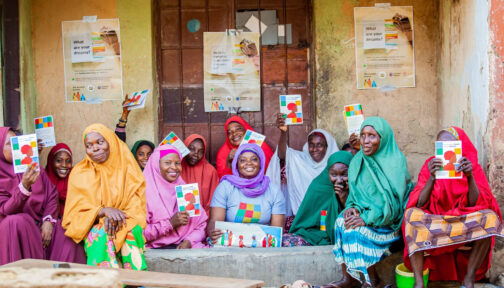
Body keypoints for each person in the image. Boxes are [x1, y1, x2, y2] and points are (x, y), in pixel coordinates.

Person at [402, 127, 503, 288]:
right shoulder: (430, 164)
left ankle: (468, 280)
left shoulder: (471, 167)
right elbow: (419, 203)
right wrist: (432, 177)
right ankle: (419, 283)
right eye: (441, 146)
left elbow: (477, 204)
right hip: (436, 221)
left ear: (461, 147)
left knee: (490, 218)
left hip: (462, 222)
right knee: (411, 215)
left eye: (451, 146)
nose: (446, 151)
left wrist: (469, 177)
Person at [326, 117, 413, 288]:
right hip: (366, 216)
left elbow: (393, 205)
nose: (365, 141)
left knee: (358, 232)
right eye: (363, 135)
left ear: (383, 138)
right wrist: (351, 208)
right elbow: (356, 196)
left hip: (387, 223)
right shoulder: (358, 161)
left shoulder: (396, 162)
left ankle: (372, 281)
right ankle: (349, 277)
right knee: (341, 221)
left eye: (372, 136)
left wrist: (366, 218)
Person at [62, 124, 147, 270]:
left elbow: (136, 206)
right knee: (100, 232)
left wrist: (116, 218)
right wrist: (102, 212)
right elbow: (73, 218)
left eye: (100, 143)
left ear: (110, 142)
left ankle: (136, 283)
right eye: (89, 145)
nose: (95, 149)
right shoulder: (80, 173)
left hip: (125, 222)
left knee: (130, 233)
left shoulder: (127, 167)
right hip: (93, 227)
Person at [0, 127, 85, 265]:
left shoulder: (31, 166)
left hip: (41, 224)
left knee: (67, 234)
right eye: (9, 144)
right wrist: (24, 187)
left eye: (16, 141)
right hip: (15, 229)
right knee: (16, 222)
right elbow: (5, 210)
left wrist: (48, 220)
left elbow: (51, 194)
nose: (14, 146)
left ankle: (62, 282)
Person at [267, 113, 339, 225]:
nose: (315, 149)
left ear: (327, 147)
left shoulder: (335, 165)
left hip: (327, 217)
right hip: (304, 218)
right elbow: (282, 154)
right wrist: (283, 132)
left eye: (320, 145)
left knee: (323, 234)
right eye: (311, 144)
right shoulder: (301, 160)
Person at [208, 143, 285, 244]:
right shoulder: (225, 187)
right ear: (236, 164)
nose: (249, 163)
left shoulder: (273, 190)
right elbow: (216, 221)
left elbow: (276, 231)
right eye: (243, 160)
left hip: (262, 243)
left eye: (254, 159)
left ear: (261, 163)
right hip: (231, 242)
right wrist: (213, 231)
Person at [283, 151, 354, 247]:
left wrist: (344, 199)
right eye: (333, 175)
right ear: (327, 172)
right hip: (314, 233)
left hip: (346, 234)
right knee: (286, 241)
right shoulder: (318, 186)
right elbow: (306, 221)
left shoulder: (358, 189)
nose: (339, 180)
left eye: (344, 175)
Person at [143, 144, 208, 249]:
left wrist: (189, 241)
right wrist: (169, 224)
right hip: (156, 250)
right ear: (156, 165)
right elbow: (139, 234)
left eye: (177, 163)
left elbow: (201, 225)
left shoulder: (185, 190)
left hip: (185, 247)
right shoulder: (143, 193)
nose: (174, 167)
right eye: (167, 163)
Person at [181, 134, 219, 217]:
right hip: (178, 221)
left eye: (201, 151)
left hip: (203, 221)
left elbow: (214, 201)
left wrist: (203, 220)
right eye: (191, 149)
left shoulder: (210, 171)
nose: (196, 154)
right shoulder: (176, 169)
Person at [115, 94, 155, 171]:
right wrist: (124, 115)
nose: (146, 157)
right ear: (134, 155)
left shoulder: (158, 174)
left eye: (149, 154)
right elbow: (118, 144)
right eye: (141, 154)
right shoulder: (129, 172)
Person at [45, 143, 73, 218]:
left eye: (68, 161)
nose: (64, 165)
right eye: (59, 160)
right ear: (51, 161)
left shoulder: (76, 180)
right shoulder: (43, 182)